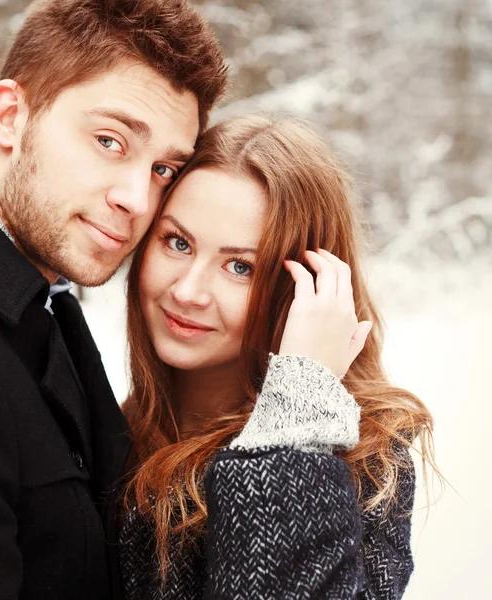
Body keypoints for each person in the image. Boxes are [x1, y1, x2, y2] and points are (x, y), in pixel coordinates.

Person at [0, 1, 228, 598]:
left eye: (163, 170)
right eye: (110, 140)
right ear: (9, 116)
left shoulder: (29, 305)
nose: (137, 199)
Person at [120, 115, 435, 599]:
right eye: (177, 243)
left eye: (240, 266)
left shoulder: (360, 464)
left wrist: (295, 428)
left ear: (305, 292)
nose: (187, 291)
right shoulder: (112, 429)